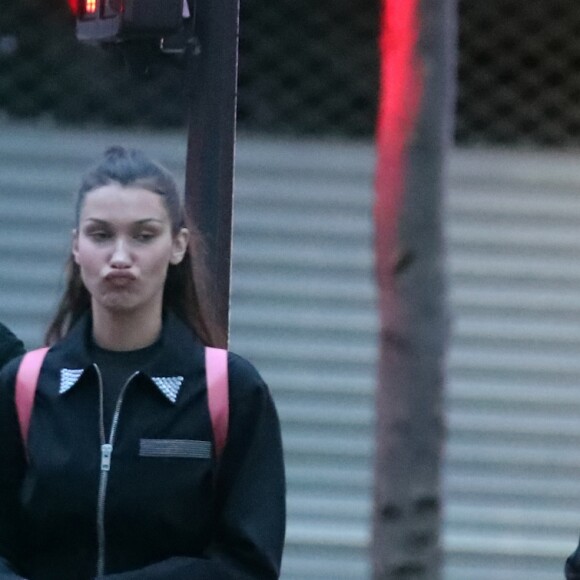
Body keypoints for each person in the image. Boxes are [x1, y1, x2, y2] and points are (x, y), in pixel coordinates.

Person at [0, 146, 286, 580]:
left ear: (178, 246)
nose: (120, 257)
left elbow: (248, 563)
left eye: (143, 235)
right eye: (100, 235)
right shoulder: (24, 385)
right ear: (76, 246)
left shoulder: (228, 389)